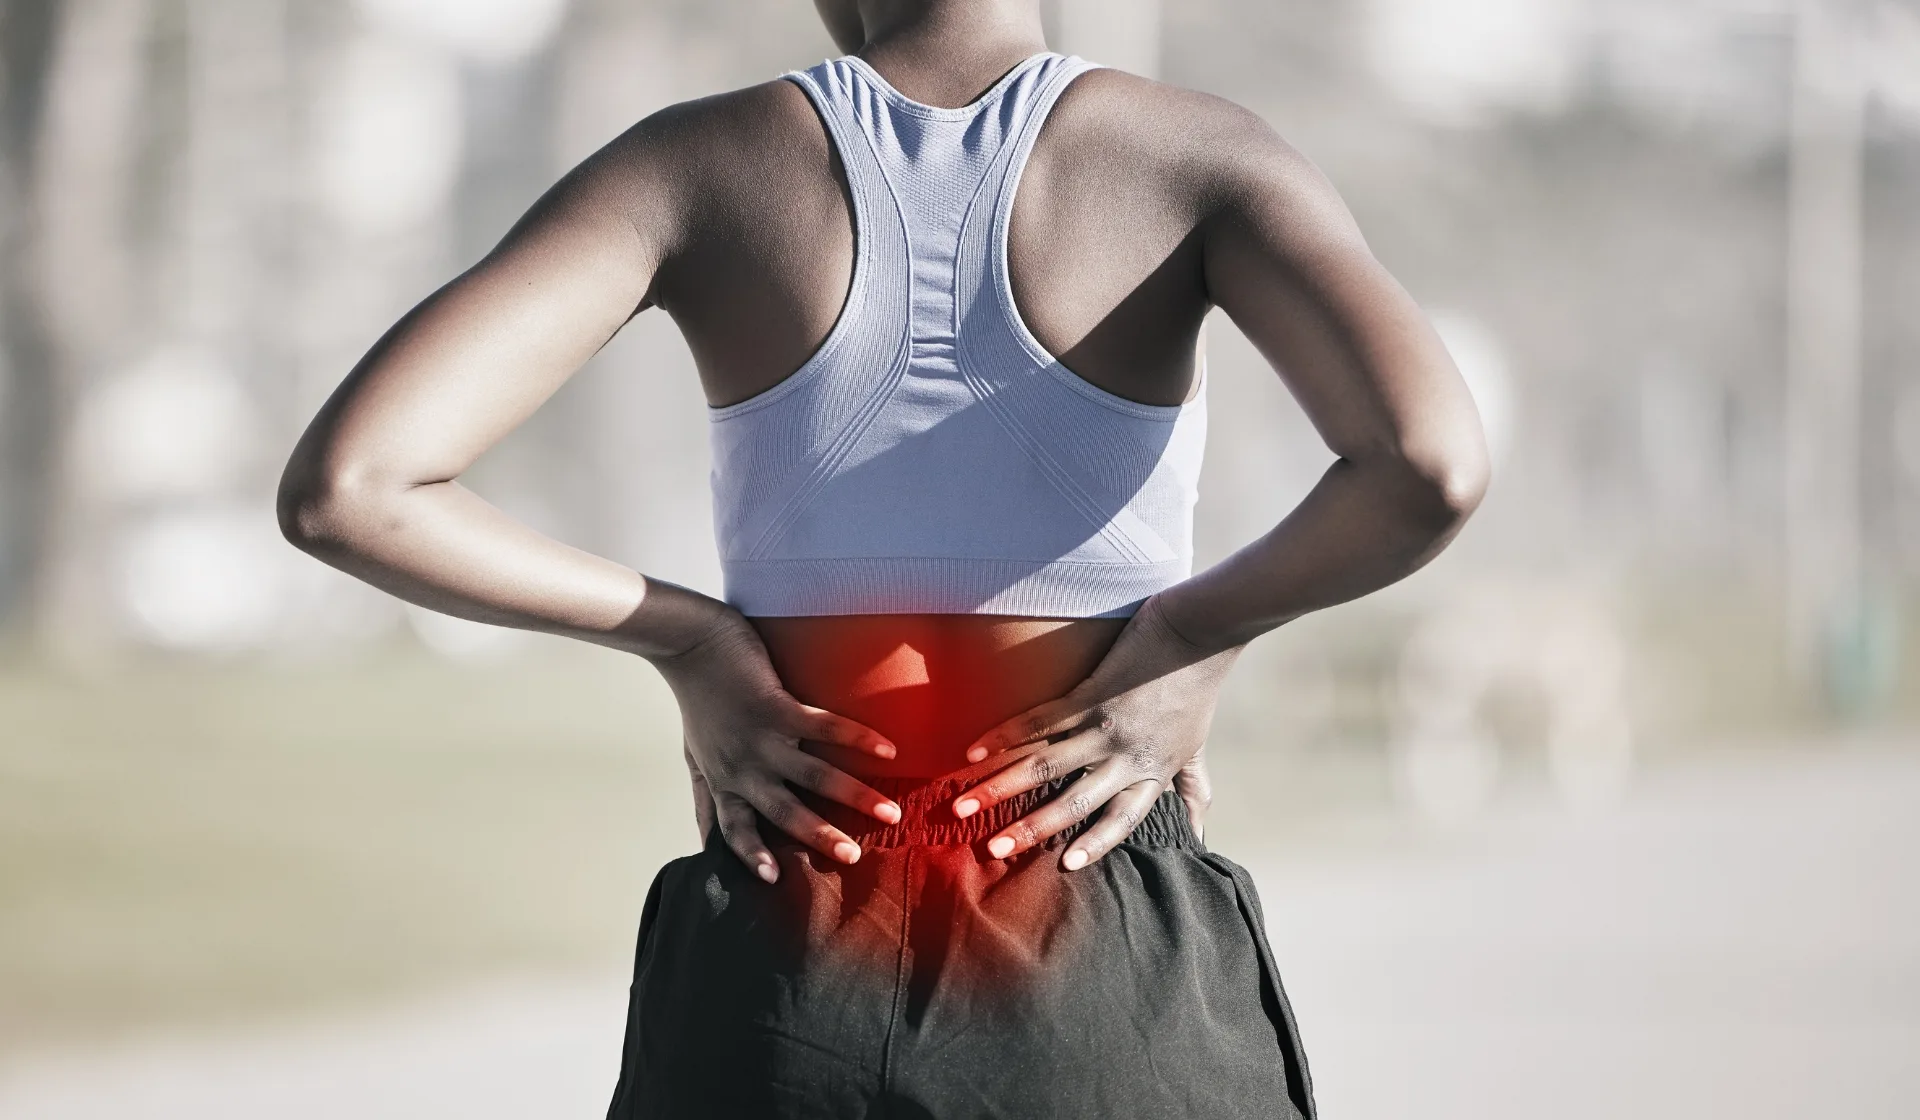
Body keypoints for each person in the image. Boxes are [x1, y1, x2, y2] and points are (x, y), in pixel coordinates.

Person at [278, 0, 1488, 1115]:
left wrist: (685, 636)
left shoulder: (699, 166)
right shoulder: (1197, 156)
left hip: (789, 939)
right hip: (1089, 913)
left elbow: (355, 487)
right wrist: (1188, 635)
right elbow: (1425, 462)